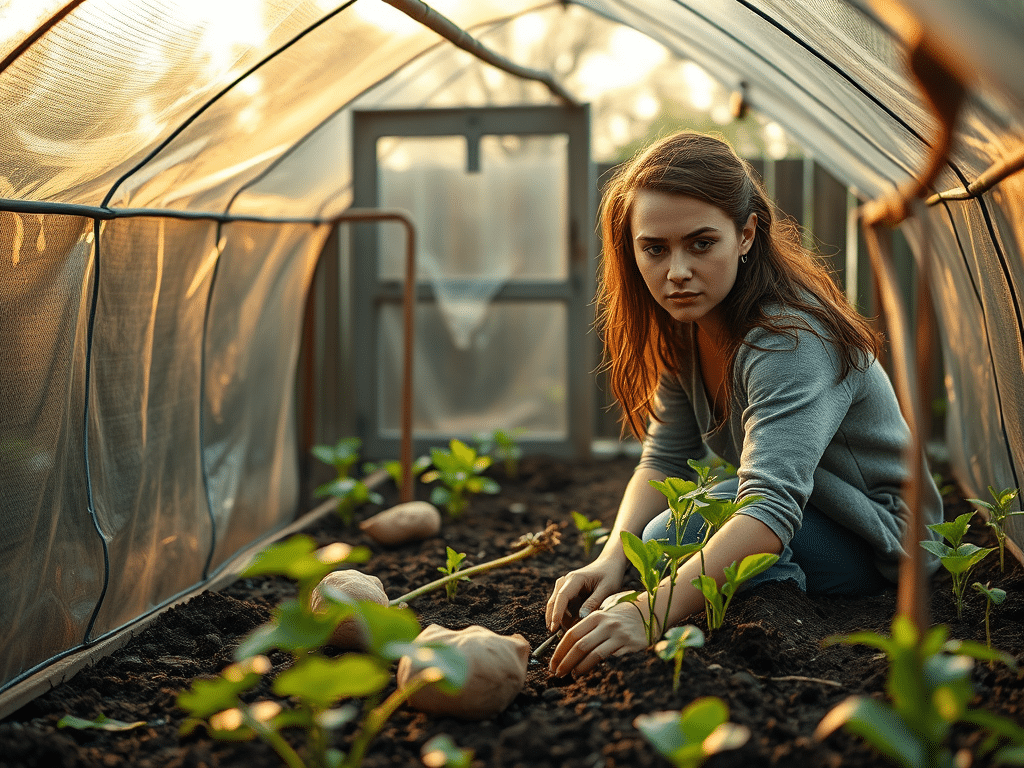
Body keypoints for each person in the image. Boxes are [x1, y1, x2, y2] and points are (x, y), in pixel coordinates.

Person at [545, 131, 942, 678]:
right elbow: (662, 461)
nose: (676, 270)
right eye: (654, 248)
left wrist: (648, 611)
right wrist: (612, 556)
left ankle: (780, 627)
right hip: (809, 516)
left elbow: (769, 510)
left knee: (673, 533)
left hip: (882, 544)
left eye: (701, 243)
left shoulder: (789, 340)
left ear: (747, 234)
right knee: (666, 531)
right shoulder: (687, 328)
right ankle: (737, 600)